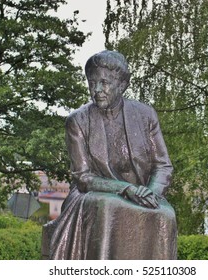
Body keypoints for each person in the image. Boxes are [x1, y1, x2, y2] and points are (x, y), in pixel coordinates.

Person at [43, 50, 177, 260]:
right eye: (92, 83)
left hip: (142, 194)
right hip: (90, 194)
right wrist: (125, 189)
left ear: (122, 85)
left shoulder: (145, 115)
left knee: (165, 216)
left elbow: (163, 166)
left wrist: (151, 193)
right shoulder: (77, 121)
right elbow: (83, 178)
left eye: (104, 83)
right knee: (109, 206)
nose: (97, 90)